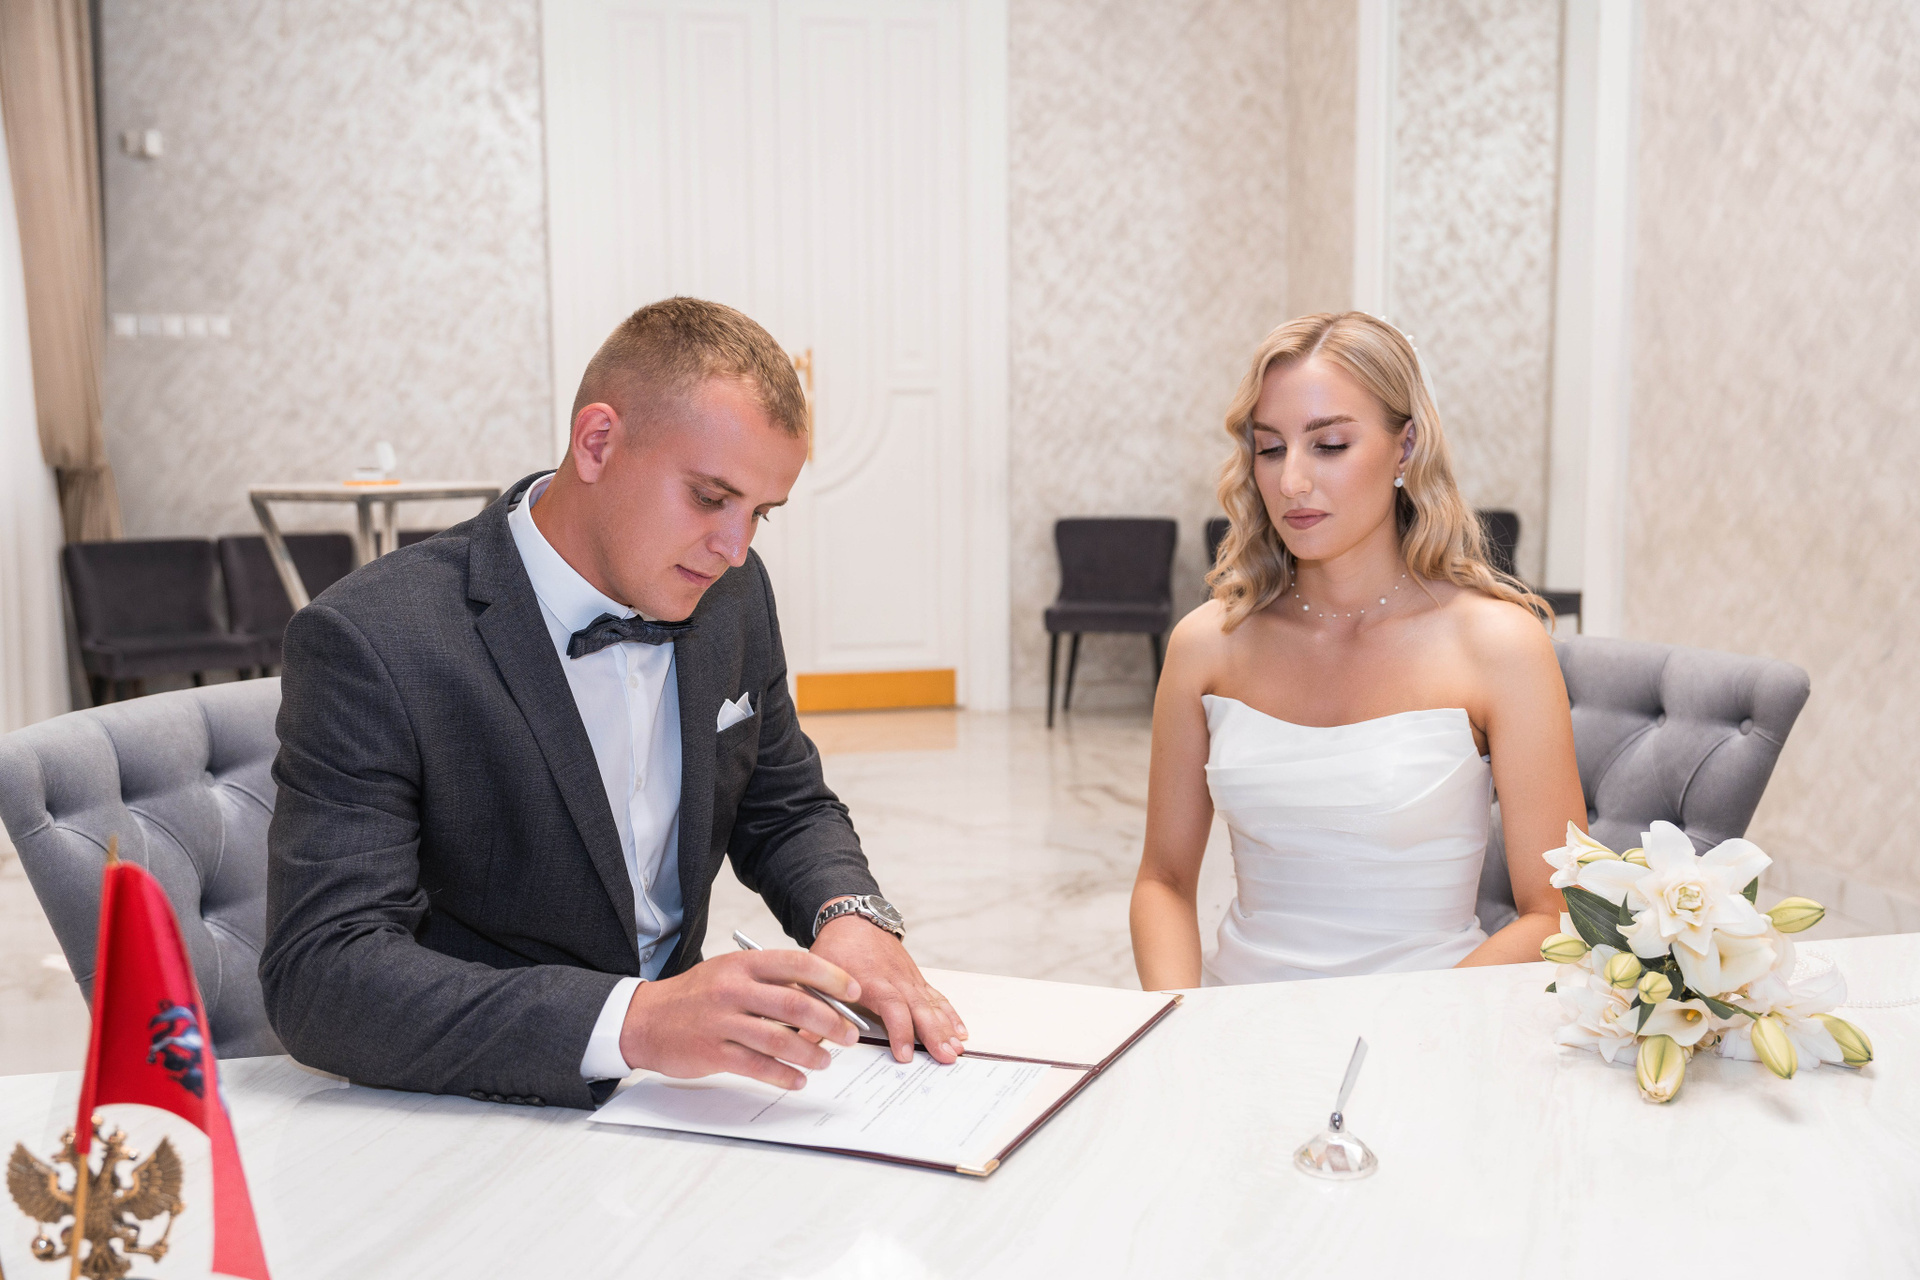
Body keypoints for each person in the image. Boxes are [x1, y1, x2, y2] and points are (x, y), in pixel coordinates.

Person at [262, 297, 965, 1110]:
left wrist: (850, 914)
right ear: (597, 442)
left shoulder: (732, 595)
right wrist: (633, 1022)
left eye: (759, 515)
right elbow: (322, 974)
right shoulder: (375, 638)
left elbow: (785, 805)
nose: (735, 549)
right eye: (710, 497)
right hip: (477, 1105)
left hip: (676, 1099)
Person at [1130, 311, 1583, 989]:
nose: (1291, 481)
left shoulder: (1498, 646)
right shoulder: (1207, 646)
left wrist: (1400, 1027)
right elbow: (1163, 881)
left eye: (1330, 445)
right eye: (1270, 448)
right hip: (1236, 1020)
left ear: (1406, 448)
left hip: (1432, 1020)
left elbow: (1555, 913)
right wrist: (1185, 1021)